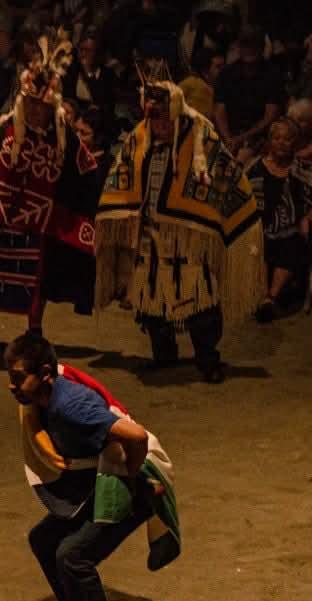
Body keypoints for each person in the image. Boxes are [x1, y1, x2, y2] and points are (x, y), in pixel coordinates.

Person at [5, 333, 179, 601]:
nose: (11, 387)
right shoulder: (42, 396)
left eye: (18, 379)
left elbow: (136, 436)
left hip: (134, 483)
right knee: (43, 539)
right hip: (99, 476)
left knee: (72, 555)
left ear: (44, 373)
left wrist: (130, 474)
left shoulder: (72, 406)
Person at [94, 63, 264, 383]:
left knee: (199, 297)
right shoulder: (138, 137)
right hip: (149, 232)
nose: (156, 123)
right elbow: (121, 177)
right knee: (151, 299)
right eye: (152, 115)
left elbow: (227, 179)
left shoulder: (202, 139)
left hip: (190, 234)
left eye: (161, 116)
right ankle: (164, 354)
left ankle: (207, 357)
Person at [0, 28, 101, 352]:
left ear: (52, 107)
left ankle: (34, 331)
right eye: (31, 104)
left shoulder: (64, 137)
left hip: (40, 221)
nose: (36, 111)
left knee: (39, 274)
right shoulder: (9, 126)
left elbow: (86, 171)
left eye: (41, 106)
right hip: (2, 213)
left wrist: (78, 212)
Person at [246, 119, 312, 321]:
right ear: (269, 142)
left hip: (293, 229)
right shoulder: (255, 168)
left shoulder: (303, 169)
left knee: (292, 244)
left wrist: (307, 218)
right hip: (261, 228)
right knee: (258, 243)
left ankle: (270, 298)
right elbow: (242, 200)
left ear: (296, 142)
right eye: (277, 138)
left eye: (287, 138)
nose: (282, 143)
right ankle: (264, 295)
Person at [214, 28, 287, 165]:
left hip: (260, 138)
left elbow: (270, 117)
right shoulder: (227, 73)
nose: (250, 49)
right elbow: (219, 109)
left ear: (262, 48)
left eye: (254, 45)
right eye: (245, 44)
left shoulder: (273, 75)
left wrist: (241, 139)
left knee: (242, 162)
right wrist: (228, 138)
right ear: (239, 47)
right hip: (228, 136)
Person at [178, 48, 225, 118]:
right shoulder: (192, 82)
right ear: (205, 69)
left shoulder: (221, 89)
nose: (223, 70)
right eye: (218, 67)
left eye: (223, 66)